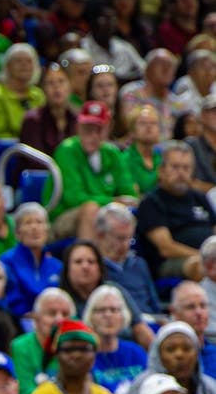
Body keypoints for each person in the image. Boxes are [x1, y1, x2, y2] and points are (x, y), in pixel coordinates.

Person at [52, 101, 140, 242]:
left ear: (108, 128)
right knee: (91, 210)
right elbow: (74, 198)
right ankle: (92, 260)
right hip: (65, 216)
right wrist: (113, 201)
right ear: (78, 127)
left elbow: (129, 192)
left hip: (106, 214)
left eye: (98, 129)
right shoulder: (67, 151)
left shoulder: (112, 153)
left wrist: (123, 202)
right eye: (87, 128)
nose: (92, 135)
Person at [137, 141, 215, 281]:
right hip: (173, 263)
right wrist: (206, 257)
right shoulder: (152, 202)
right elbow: (166, 248)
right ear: (161, 170)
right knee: (199, 266)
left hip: (208, 256)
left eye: (186, 168)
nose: (181, 173)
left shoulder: (199, 198)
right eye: (175, 167)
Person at [118, 321, 216, 394]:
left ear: (197, 353)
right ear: (158, 355)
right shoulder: (142, 386)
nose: (179, 355)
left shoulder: (210, 388)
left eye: (187, 348)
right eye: (170, 349)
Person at [93, 204, 161, 320]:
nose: (126, 245)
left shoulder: (139, 264)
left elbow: (155, 305)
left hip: (150, 321)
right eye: (120, 238)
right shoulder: (93, 267)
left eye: (130, 238)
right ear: (100, 235)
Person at [10, 288, 74, 394]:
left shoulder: (78, 347)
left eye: (65, 314)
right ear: (36, 318)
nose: (59, 320)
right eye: (51, 313)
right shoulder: (20, 347)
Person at [85, 284, 148, 394]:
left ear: (123, 316)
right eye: (101, 310)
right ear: (91, 317)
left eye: (114, 310)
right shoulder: (85, 356)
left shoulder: (136, 352)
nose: (108, 315)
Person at [1, 203, 63, 317]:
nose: (34, 227)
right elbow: (11, 300)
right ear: (17, 233)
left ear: (47, 230)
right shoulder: (7, 262)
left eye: (39, 222)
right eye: (28, 223)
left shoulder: (57, 266)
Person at [0, 44, 46, 141]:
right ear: (8, 66)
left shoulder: (38, 94)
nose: (24, 65)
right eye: (18, 61)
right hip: (9, 152)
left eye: (29, 61)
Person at [21, 64, 77, 156]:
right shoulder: (32, 120)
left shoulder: (78, 119)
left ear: (70, 86)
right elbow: (35, 161)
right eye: (50, 83)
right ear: (43, 89)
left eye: (61, 81)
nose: (56, 87)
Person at [168, 281, 216, 377]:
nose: (199, 312)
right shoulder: (167, 357)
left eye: (203, 306)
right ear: (174, 312)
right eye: (190, 307)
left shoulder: (213, 353)